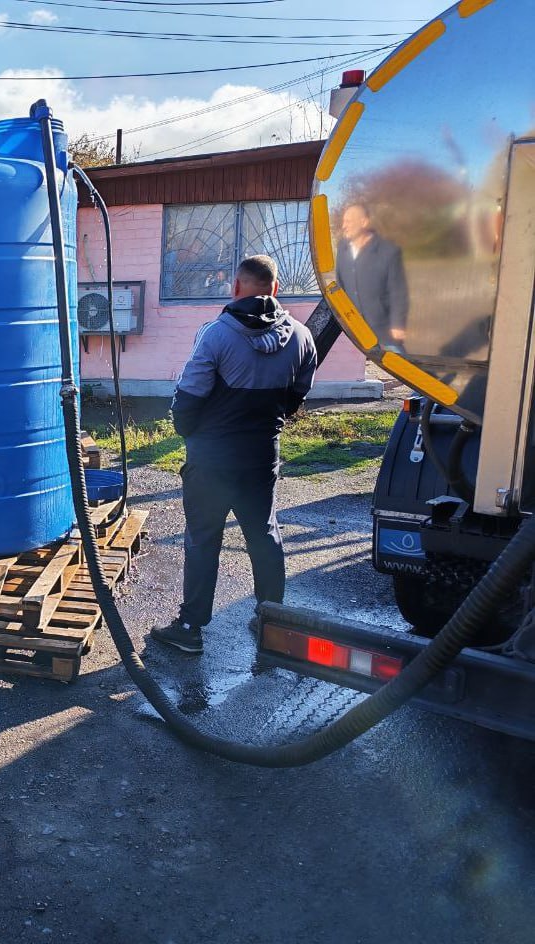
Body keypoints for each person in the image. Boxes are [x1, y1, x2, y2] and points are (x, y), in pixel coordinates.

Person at [151, 255, 317, 655]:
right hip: (261, 455)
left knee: (203, 539)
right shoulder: (301, 336)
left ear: (236, 287)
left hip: (211, 459)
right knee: (263, 534)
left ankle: (190, 628)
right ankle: (272, 622)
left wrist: (193, 436)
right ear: (276, 289)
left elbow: (188, 399)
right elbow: (297, 397)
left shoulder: (215, 335)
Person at [335, 203, 409, 350]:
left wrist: (398, 324)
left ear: (364, 222)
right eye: (344, 221)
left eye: (348, 221)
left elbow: (398, 291)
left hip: (385, 329)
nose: (344, 226)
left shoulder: (388, 251)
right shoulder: (342, 249)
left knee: (402, 366)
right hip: (357, 328)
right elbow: (340, 285)